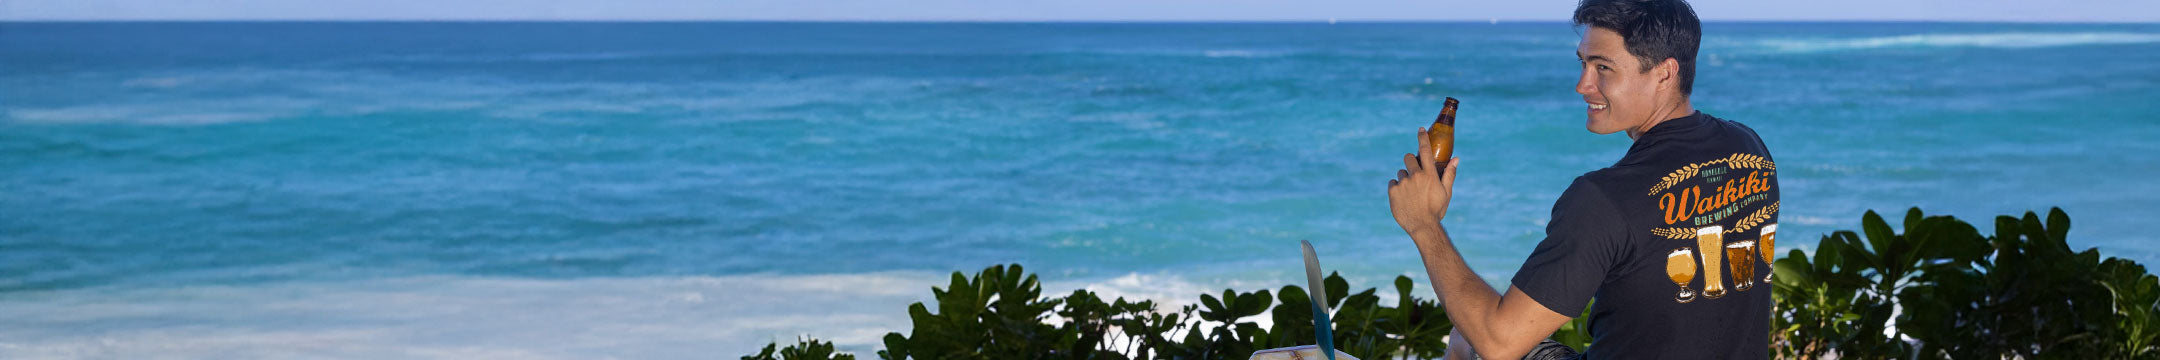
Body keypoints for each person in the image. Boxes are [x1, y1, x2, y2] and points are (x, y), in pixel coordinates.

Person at [1384, 0, 1780, 358]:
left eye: (1603, 68)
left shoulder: (1603, 199)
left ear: (1665, 73)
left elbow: (1500, 342)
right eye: (1583, 64)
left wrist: (1424, 224)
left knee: (1469, 339)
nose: (1582, 85)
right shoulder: (1749, 149)